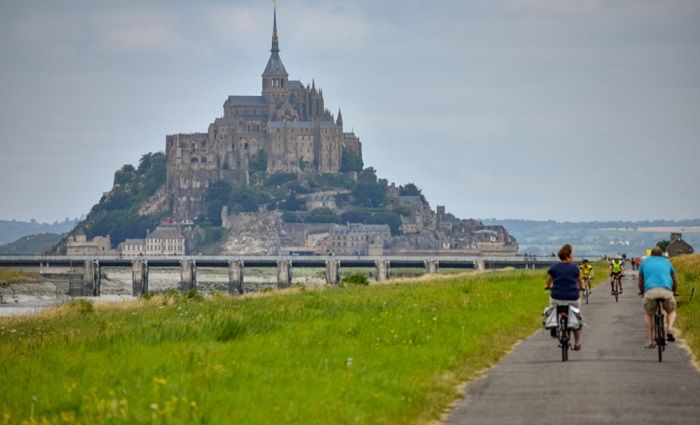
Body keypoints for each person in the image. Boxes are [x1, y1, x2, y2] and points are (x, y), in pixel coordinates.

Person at [638, 246, 679, 348]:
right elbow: (675, 280)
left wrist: (642, 292)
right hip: (666, 291)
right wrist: (673, 291)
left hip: (650, 291)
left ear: (651, 254)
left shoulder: (644, 263)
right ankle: (669, 329)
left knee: (648, 314)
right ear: (661, 254)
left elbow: (640, 281)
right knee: (671, 311)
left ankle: (650, 341)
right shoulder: (667, 262)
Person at [545, 244, 584, 350]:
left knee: (553, 307)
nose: (573, 256)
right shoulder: (575, 268)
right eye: (572, 255)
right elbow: (580, 283)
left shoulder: (554, 268)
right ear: (568, 255)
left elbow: (548, 282)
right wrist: (582, 288)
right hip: (572, 297)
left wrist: (547, 287)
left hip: (557, 297)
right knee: (576, 318)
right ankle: (577, 343)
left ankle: (553, 324)